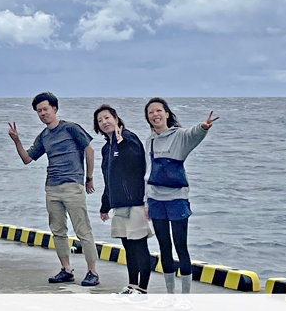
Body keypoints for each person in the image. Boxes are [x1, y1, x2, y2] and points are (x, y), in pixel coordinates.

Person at [8, 91, 100, 286]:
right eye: (39, 111)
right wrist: (16, 140)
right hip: (52, 188)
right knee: (57, 231)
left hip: (72, 185)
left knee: (83, 230)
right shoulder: (43, 136)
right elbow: (27, 159)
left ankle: (92, 272)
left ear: (54, 109)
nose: (43, 113)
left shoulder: (71, 128)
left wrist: (89, 178)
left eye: (45, 109)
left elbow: (89, 150)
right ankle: (66, 269)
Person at [143, 97, 219, 300]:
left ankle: (185, 297)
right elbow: (147, 172)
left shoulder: (179, 136)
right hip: (155, 200)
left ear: (167, 113)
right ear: (148, 118)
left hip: (177, 200)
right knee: (164, 248)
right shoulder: (149, 140)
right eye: (151, 112)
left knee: (181, 246)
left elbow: (194, 134)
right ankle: (171, 296)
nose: (155, 115)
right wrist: (145, 202)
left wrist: (204, 126)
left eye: (159, 111)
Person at [93, 103, 152, 296]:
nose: (104, 122)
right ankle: (132, 285)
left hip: (134, 202)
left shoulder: (128, 138)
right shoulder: (106, 148)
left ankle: (142, 288)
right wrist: (105, 205)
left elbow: (138, 164)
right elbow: (108, 178)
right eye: (100, 120)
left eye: (107, 118)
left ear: (116, 119)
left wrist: (122, 145)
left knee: (139, 246)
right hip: (119, 204)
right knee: (128, 247)